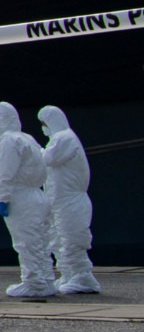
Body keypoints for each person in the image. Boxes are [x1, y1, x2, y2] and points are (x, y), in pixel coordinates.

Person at [0, 102, 56, 297]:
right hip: (38, 195)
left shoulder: (8, 141)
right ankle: (46, 280)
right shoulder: (28, 138)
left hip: (21, 197)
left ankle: (34, 283)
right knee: (41, 241)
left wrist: (3, 197)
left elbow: (6, 173)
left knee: (26, 242)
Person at [38, 105, 100, 294]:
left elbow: (49, 159)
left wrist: (33, 150)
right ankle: (69, 273)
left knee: (71, 237)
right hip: (59, 200)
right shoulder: (57, 139)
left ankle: (82, 276)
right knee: (58, 238)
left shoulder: (64, 138)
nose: (43, 127)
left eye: (43, 123)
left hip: (70, 200)